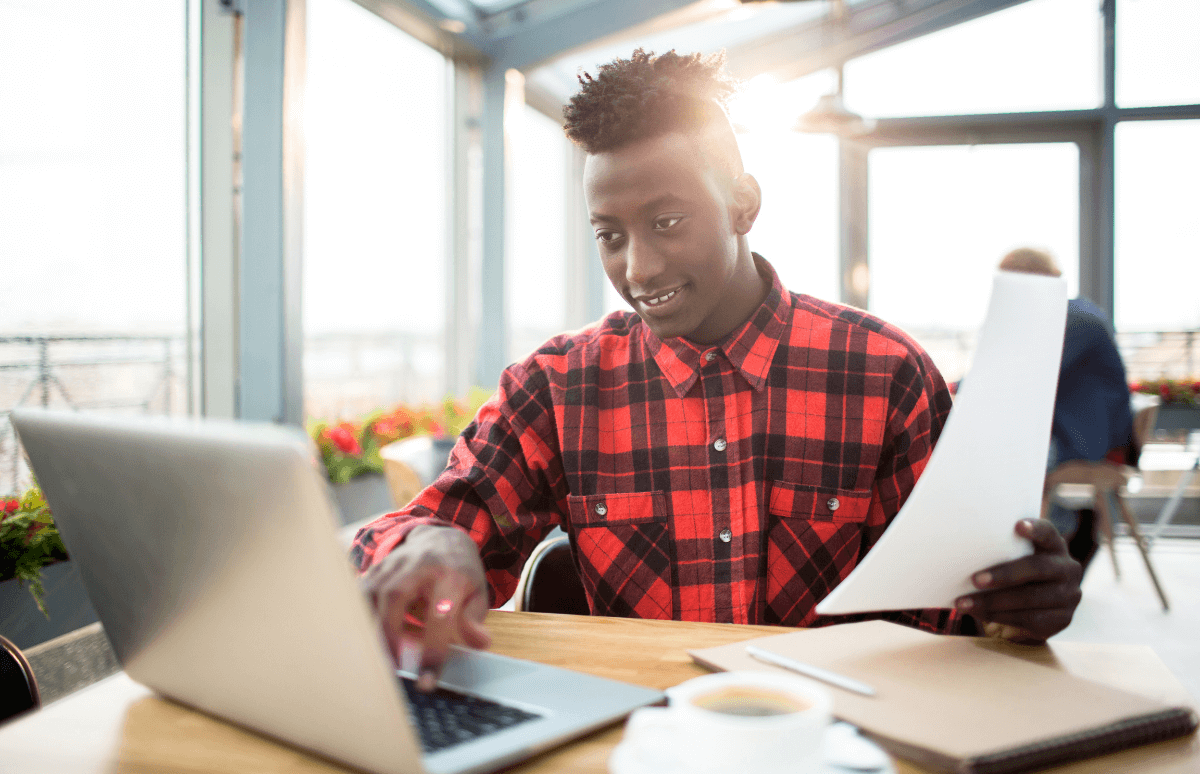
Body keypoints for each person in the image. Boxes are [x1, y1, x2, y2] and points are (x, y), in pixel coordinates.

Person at [354, 50, 1083, 692]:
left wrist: (1017, 609)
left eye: (667, 223)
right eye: (610, 236)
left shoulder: (886, 375)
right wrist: (430, 542)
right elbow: (396, 535)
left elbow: (957, 617)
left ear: (743, 204)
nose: (638, 268)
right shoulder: (556, 387)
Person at [998, 248, 1136, 570]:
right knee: (1013, 452)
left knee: (1012, 460)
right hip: (1085, 432)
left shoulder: (1074, 321)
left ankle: (1061, 533)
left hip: (1094, 442)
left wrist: (956, 390)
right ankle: (1062, 532)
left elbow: (1023, 375)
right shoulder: (1074, 314)